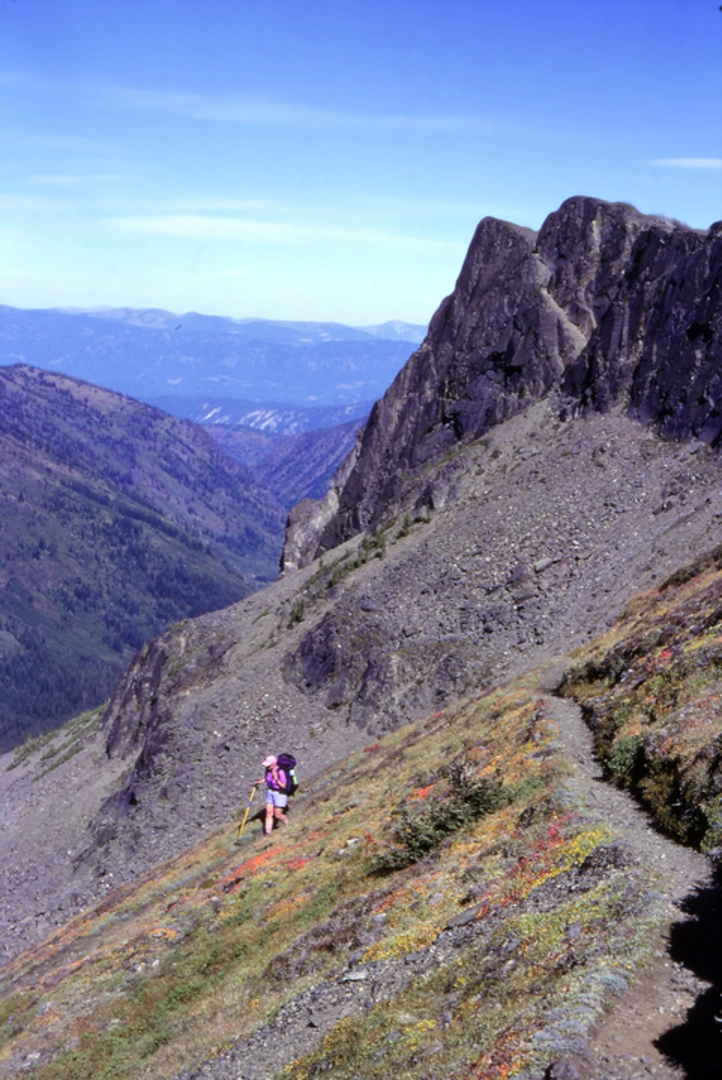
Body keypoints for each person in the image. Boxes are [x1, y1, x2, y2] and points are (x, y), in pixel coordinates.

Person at [258, 755, 289, 835]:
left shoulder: (280, 771)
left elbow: (284, 786)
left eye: (269, 765)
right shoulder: (268, 770)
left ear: (273, 763)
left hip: (279, 794)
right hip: (270, 792)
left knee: (277, 815)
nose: (267, 767)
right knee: (269, 813)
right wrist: (261, 781)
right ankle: (268, 833)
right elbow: (267, 778)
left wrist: (276, 778)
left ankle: (287, 822)